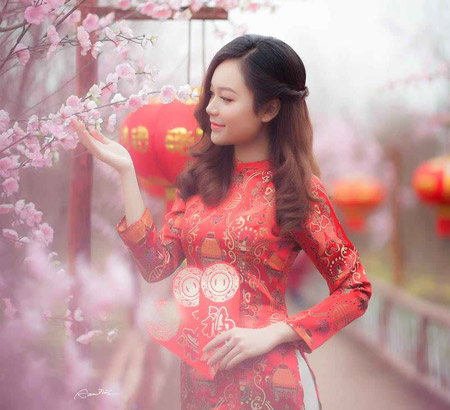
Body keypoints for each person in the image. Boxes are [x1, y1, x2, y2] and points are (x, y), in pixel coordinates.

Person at [71, 34, 372, 410]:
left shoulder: (297, 191)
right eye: (211, 94)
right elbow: (156, 265)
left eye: (227, 99)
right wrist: (126, 171)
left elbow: (354, 288)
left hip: (272, 382)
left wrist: (279, 333)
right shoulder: (200, 182)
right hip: (201, 383)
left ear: (269, 109)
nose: (211, 107)